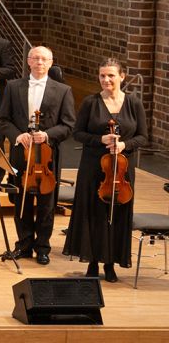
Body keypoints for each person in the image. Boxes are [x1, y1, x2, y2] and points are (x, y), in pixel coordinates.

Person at [64, 58, 146, 282]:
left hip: (122, 168)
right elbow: (77, 133)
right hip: (93, 166)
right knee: (93, 213)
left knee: (117, 214)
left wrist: (124, 145)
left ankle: (110, 263)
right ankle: (92, 261)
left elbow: (142, 136)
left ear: (122, 76)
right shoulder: (91, 102)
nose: (106, 79)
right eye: (102, 75)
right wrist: (100, 138)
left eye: (111, 75)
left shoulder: (134, 103)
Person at [0, 45, 75, 265]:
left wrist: (47, 135)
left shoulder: (63, 90)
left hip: (48, 156)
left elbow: (68, 125)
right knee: (22, 201)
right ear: (28, 61)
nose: (39, 63)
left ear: (50, 63)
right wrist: (18, 136)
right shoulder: (13, 86)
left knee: (47, 204)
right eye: (35, 58)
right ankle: (24, 244)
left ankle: (43, 247)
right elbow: (2, 120)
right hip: (22, 153)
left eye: (44, 59)